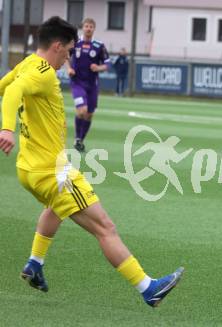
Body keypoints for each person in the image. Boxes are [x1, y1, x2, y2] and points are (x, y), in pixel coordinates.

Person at [0, 16, 183, 308]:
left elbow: (3, 87)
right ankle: (148, 287)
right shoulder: (44, 72)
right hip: (52, 172)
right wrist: (7, 128)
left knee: (55, 207)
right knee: (105, 227)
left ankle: (35, 263)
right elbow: (10, 93)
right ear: (57, 46)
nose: (69, 57)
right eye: (69, 50)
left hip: (28, 169)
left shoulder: (25, 64)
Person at [65, 17, 111, 153]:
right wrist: (68, 68)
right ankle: (77, 139)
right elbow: (66, 56)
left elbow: (108, 64)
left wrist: (98, 67)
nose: (88, 29)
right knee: (82, 111)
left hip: (92, 85)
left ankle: (80, 140)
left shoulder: (99, 46)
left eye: (91, 26)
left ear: (94, 29)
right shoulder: (75, 43)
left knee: (89, 114)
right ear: (82, 28)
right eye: (86, 26)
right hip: (77, 83)